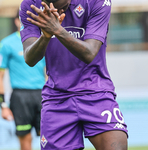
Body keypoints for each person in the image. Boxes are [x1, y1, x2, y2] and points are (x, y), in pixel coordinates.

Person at [19, 0, 128, 149]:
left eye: (56, 2)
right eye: (47, 2)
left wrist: (57, 30)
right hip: (57, 98)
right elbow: (29, 58)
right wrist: (45, 36)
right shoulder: (30, 5)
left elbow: (89, 53)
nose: (52, 7)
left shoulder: (96, 2)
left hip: (96, 92)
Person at [0, 10, 46, 150]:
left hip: (42, 94)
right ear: (17, 21)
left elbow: (48, 72)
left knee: (48, 138)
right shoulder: (6, 44)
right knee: (25, 140)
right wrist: (3, 106)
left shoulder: (43, 40)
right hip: (20, 97)